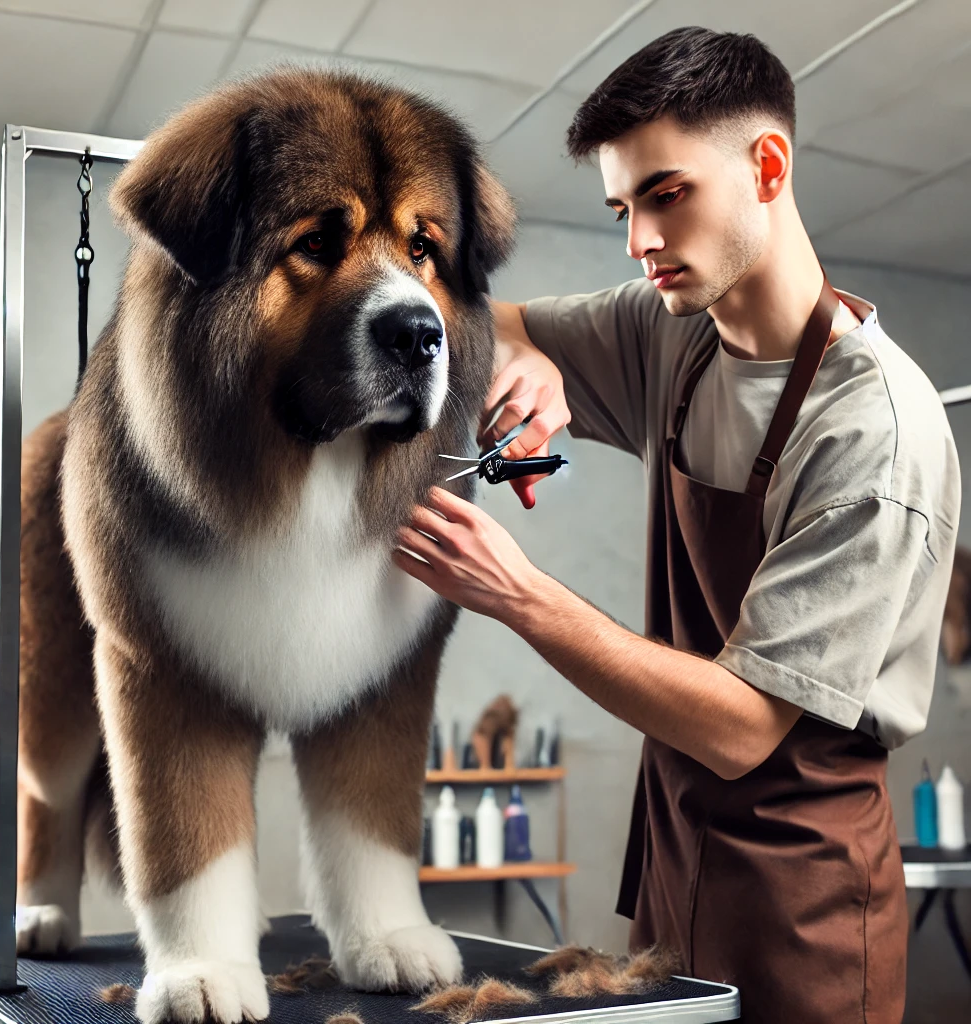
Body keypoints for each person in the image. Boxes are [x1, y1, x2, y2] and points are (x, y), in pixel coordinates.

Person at [392, 26, 960, 1023]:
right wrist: (534, 360)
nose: (640, 241)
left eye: (666, 194)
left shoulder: (872, 431)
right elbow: (487, 321)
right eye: (623, 209)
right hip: (674, 858)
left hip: (805, 899)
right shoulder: (672, 334)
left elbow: (742, 728)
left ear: (767, 167)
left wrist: (515, 594)